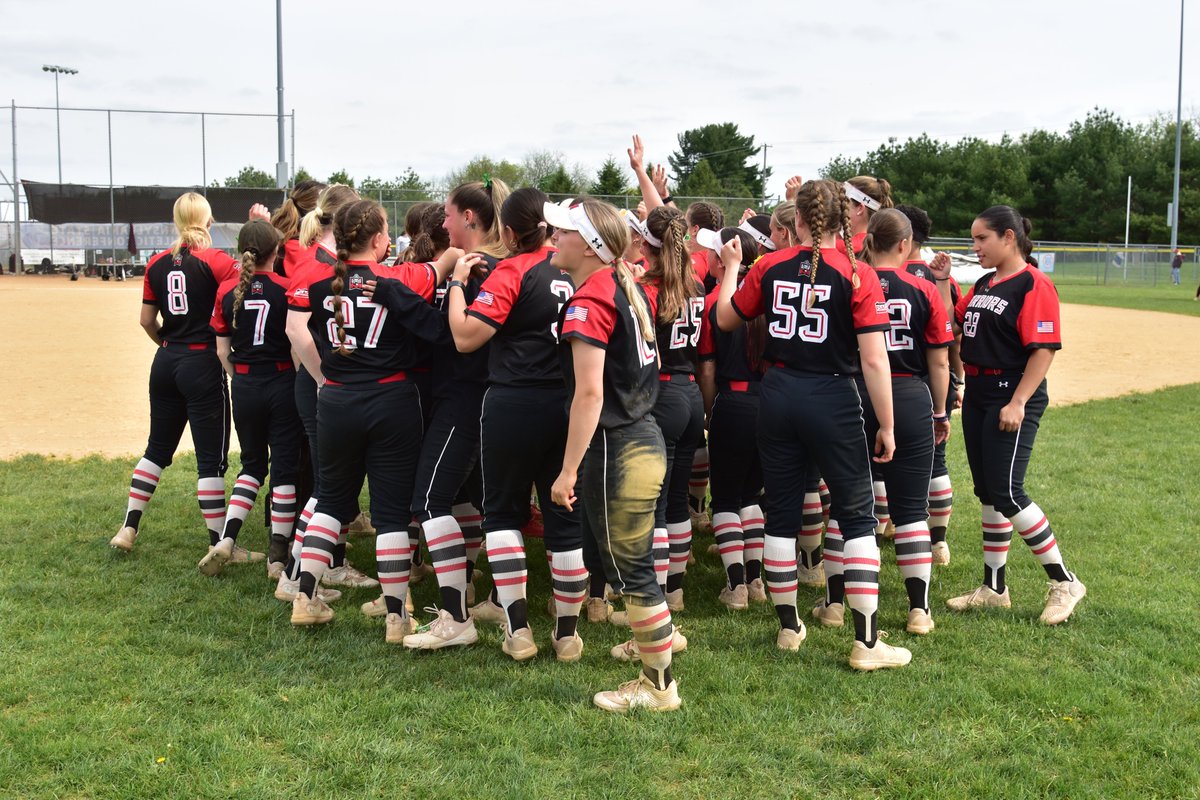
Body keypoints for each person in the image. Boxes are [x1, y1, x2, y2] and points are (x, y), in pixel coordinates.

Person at [714, 179, 911, 670]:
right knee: (857, 515)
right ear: (844, 220)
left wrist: (733, 270)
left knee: (779, 513)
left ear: (798, 220)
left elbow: (726, 319)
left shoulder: (769, 264)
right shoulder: (859, 273)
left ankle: (788, 627)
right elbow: (874, 360)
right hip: (832, 395)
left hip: (777, 393)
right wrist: (886, 423)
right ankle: (866, 643)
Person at [284, 198, 460, 640]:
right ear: (381, 240)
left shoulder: (324, 287)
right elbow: (433, 279)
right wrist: (455, 261)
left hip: (338, 400)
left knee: (330, 500)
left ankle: (306, 597)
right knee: (390, 513)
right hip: (391, 400)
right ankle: (397, 616)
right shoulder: (396, 278)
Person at [544, 197, 679, 712]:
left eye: (563, 232)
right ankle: (658, 662)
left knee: (635, 571)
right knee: (637, 567)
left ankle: (659, 685)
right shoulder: (621, 283)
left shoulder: (593, 297)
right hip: (641, 436)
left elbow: (590, 395)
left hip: (617, 446)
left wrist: (567, 470)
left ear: (590, 245)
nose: (554, 238)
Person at [364, 178, 511, 650]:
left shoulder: (482, 269)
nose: (442, 222)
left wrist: (394, 294)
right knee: (472, 502)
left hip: (467, 399)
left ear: (470, 217)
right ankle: (481, 600)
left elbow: (449, 337)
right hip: (471, 397)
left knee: (429, 501)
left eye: (448, 214)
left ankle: (456, 617)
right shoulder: (478, 264)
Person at [930, 206, 1086, 625]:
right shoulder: (984, 283)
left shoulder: (1033, 283)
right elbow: (951, 325)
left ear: (1009, 238)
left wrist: (1018, 401)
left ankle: (1064, 582)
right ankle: (994, 587)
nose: (975, 247)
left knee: (1008, 490)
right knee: (988, 492)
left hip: (1011, 392)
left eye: (982, 239)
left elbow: (1044, 349)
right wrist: (944, 283)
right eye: (973, 239)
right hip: (981, 392)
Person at [446, 187, 582, 662]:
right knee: (564, 516)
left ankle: (518, 630)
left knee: (502, 514)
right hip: (567, 406)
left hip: (513, 402)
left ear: (507, 232)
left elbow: (466, 338)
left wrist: (458, 285)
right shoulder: (576, 266)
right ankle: (567, 633)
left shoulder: (513, 270)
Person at [110, 192, 239, 556]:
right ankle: (217, 544)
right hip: (202, 363)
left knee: (156, 449)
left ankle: (128, 528)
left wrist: (165, 344)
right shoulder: (219, 261)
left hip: (165, 361)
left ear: (177, 222)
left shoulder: (156, 263)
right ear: (209, 221)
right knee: (209, 459)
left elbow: (146, 320)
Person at [277, 185, 377, 598]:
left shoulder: (323, 260)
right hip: (323, 386)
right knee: (328, 487)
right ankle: (298, 575)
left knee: (331, 483)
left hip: (325, 385)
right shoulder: (317, 264)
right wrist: (323, 378)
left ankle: (324, 564)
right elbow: (294, 329)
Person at [856, 208, 952, 634]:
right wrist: (940, 411)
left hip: (858, 394)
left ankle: (836, 602)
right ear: (904, 245)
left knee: (852, 508)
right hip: (911, 394)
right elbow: (940, 362)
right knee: (912, 510)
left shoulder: (853, 282)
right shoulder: (923, 288)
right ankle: (918, 610)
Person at [199, 219, 302, 576]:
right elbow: (297, 344)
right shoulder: (287, 287)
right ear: (276, 251)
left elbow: (222, 351)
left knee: (252, 466)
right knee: (285, 470)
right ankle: (277, 557)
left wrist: (241, 377)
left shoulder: (228, 291)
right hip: (282, 382)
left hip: (244, 385)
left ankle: (227, 539)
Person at [695, 226, 769, 608]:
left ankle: (736, 585)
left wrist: (710, 412)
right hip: (769, 403)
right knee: (752, 494)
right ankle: (756, 580)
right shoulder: (771, 295)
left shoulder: (713, 302)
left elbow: (707, 370)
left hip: (733, 402)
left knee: (725, 496)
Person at [637, 205, 705, 613]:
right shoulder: (694, 283)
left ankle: (657, 596)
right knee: (676, 499)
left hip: (661, 395)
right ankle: (674, 591)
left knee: (656, 504)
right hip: (691, 392)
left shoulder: (649, 286)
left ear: (647, 243)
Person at [897, 203, 962, 565]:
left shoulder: (879, 272)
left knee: (879, 461)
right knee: (937, 462)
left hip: (894, 376)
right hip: (933, 377)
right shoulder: (941, 278)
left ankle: (882, 528)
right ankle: (938, 542)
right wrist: (958, 379)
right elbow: (952, 335)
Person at [840, 175, 894, 257]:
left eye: (843, 203)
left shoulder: (840, 248)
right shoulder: (887, 248)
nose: (838, 208)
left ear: (860, 209)